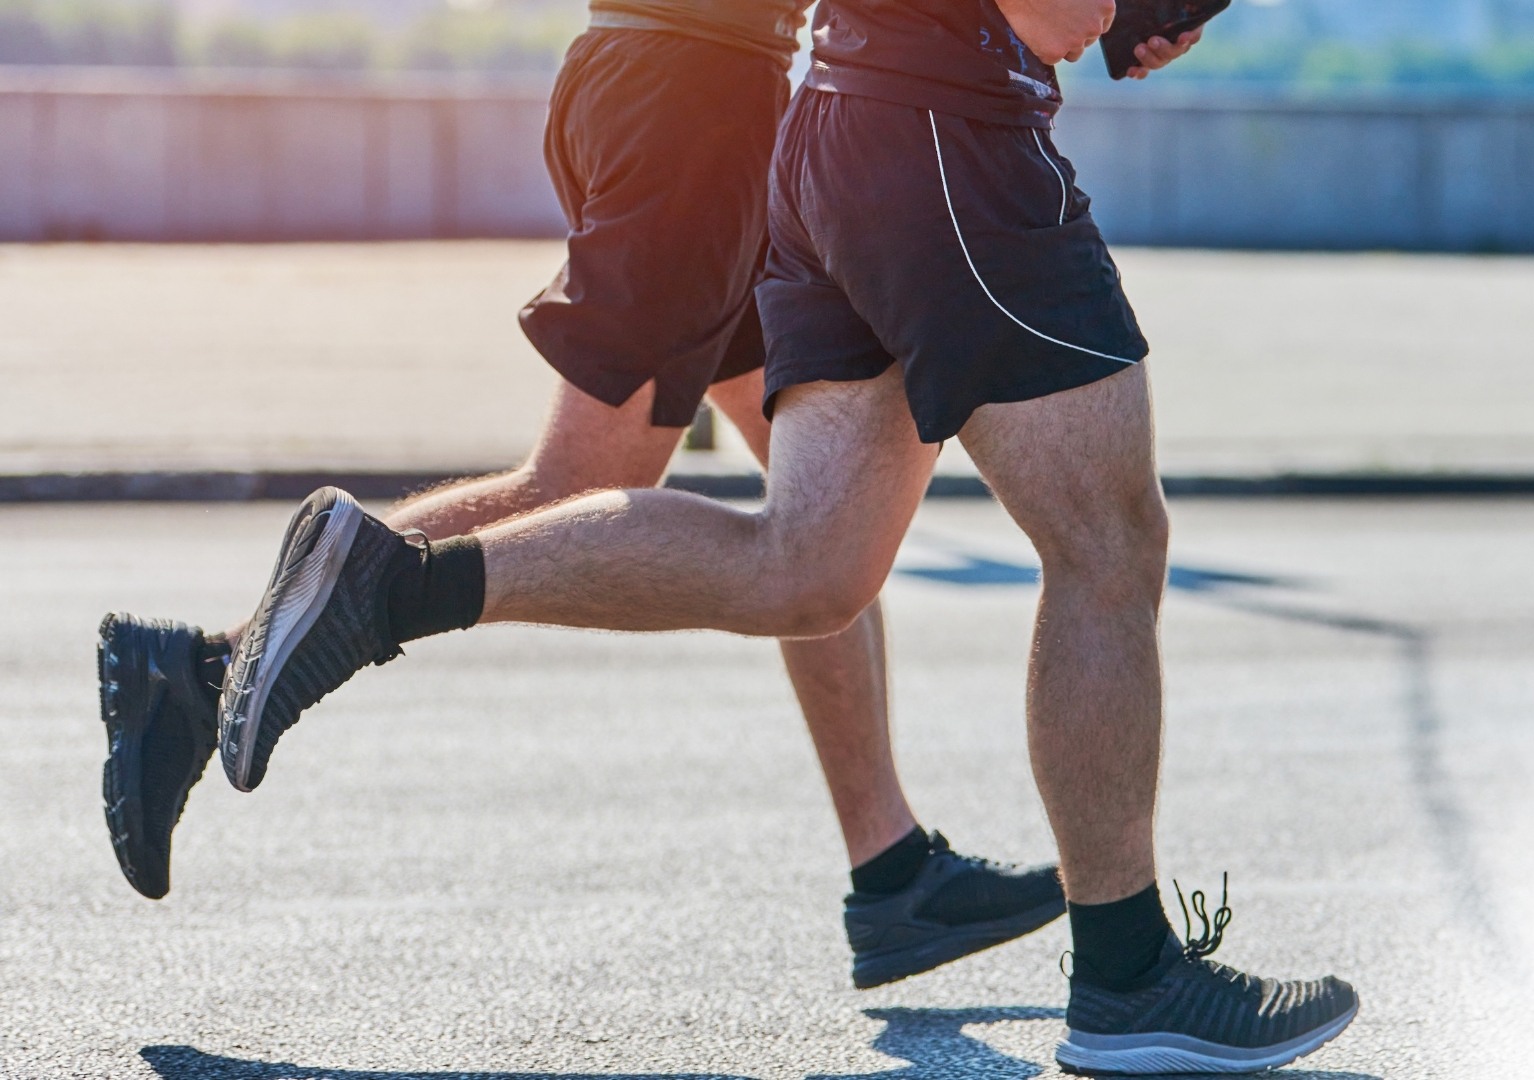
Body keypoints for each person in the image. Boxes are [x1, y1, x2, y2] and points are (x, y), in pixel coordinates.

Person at [204, 0, 1363, 1073]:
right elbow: (1059, 10)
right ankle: (1128, 977)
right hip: (945, 140)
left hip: (837, 125)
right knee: (1109, 545)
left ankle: (390, 585)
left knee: (808, 570)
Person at [94, 0, 1083, 994]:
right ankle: (203, 672)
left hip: (657, 77)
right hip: (697, 109)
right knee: (583, 485)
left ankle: (892, 866)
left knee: (822, 507)